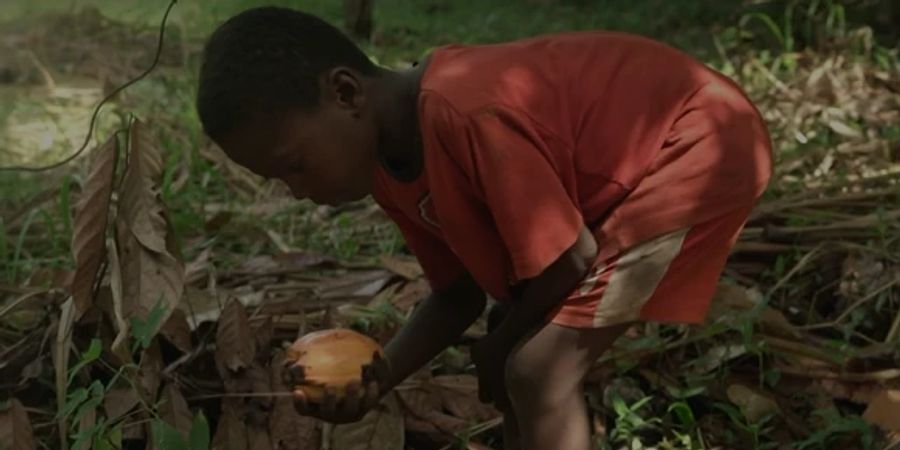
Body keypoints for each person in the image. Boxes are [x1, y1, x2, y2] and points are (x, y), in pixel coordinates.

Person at [196, 7, 772, 450]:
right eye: (278, 180)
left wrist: (497, 344)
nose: (297, 190)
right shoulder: (389, 167)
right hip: (641, 171)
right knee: (518, 348)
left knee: (537, 368)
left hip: (701, 144)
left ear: (345, 93)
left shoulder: (465, 112)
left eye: (293, 165)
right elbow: (457, 293)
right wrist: (383, 373)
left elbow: (569, 259)